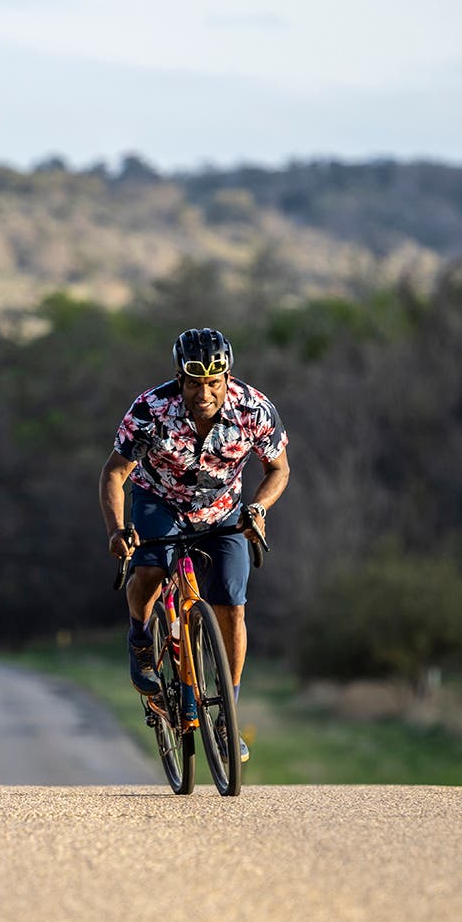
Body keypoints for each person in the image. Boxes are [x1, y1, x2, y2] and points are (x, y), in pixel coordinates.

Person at [98, 327, 290, 764]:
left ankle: (228, 719)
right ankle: (141, 640)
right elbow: (114, 473)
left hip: (222, 511)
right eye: (193, 382)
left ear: (226, 379)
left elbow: (278, 469)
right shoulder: (150, 410)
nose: (204, 393)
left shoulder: (254, 409)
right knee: (149, 569)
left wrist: (257, 509)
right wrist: (116, 529)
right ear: (179, 379)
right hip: (158, 502)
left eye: (213, 383)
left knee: (232, 605)